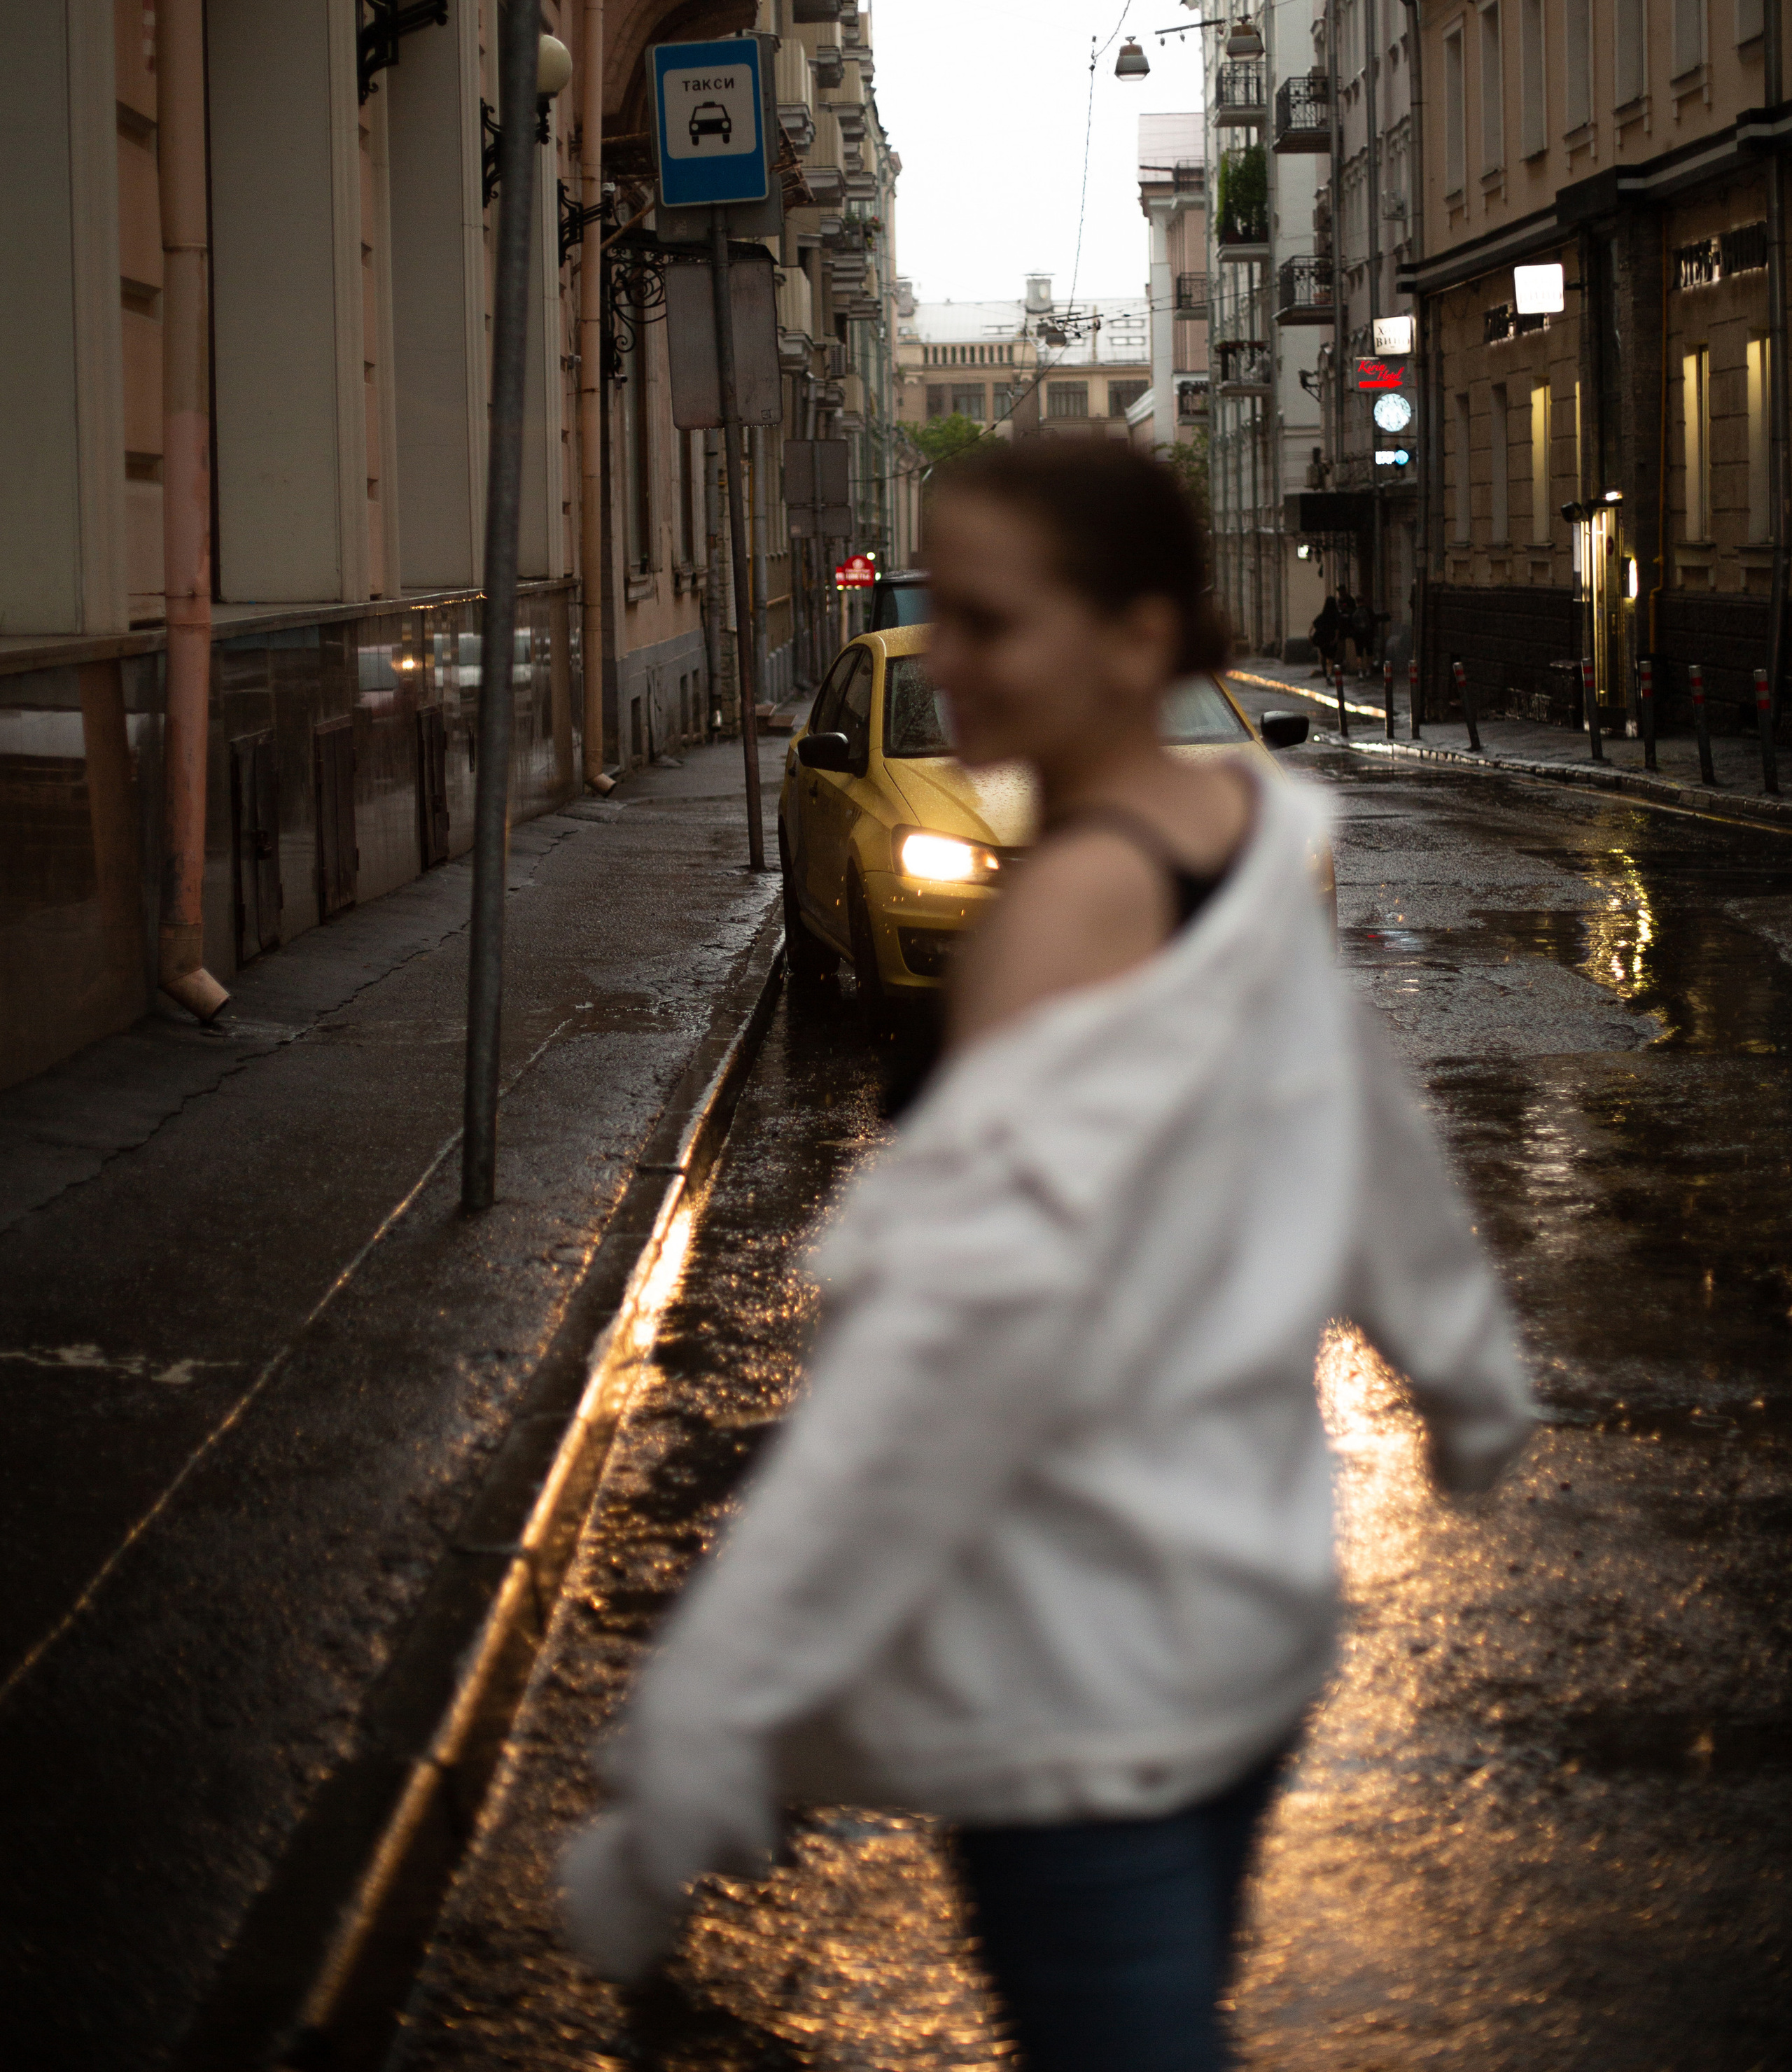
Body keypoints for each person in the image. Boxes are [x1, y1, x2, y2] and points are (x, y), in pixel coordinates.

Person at [559, 442, 1531, 2069]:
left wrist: (704, 1712)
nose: (950, 660)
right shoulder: (1234, 834)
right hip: (1243, 1619)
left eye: (994, 623)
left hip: (1077, 1679)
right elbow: (1361, 1136)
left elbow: (924, 1375)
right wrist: (1467, 1373)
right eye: (946, 615)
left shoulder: (1056, 924)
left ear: (1137, 639)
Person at [1309, 590, 1340, 677]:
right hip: (1331, 640)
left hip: (1322, 640)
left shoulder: (1322, 616)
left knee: (1323, 655)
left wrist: (1310, 636)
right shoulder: (1335, 617)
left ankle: (1325, 671)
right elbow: (1337, 629)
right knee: (1331, 658)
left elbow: (1312, 626)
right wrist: (1336, 639)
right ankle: (1329, 674)